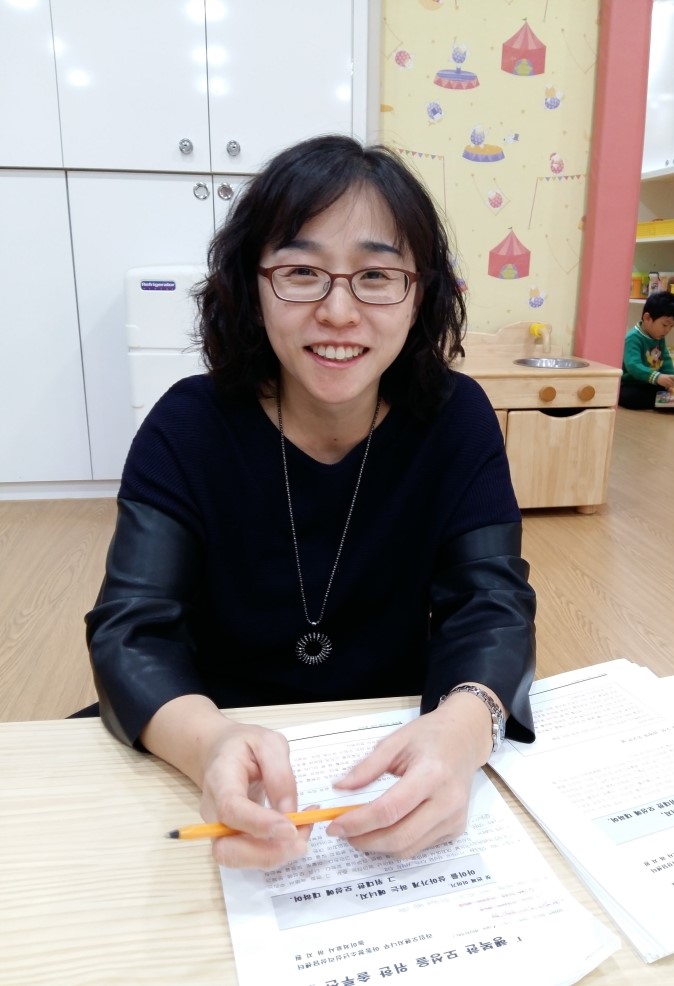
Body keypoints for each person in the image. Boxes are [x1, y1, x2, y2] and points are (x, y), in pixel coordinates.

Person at [85, 134, 536, 871]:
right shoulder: (187, 425)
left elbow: (492, 604)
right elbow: (132, 630)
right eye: (301, 272)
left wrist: (461, 731)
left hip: (390, 738)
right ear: (251, 285)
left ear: (420, 294)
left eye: (377, 276)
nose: (338, 311)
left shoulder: (456, 419)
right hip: (211, 728)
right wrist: (211, 744)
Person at [619, 291, 674, 409]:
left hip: (650, 383)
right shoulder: (633, 338)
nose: (667, 330)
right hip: (631, 383)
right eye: (664, 325)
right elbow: (633, 366)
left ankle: (667, 399)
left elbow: (666, 360)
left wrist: (671, 383)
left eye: (671, 326)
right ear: (647, 318)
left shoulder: (659, 337)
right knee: (630, 396)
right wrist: (657, 377)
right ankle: (664, 401)